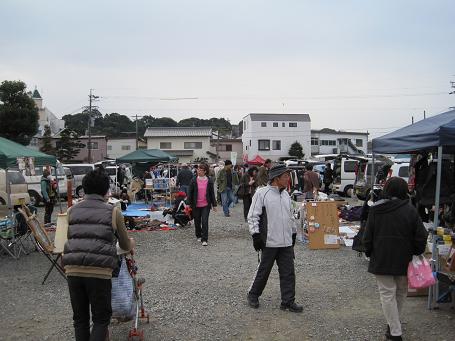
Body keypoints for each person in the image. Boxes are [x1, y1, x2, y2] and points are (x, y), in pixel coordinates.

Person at [62, 167, 134, 341]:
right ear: (106, 190)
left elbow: (72, 239)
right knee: (101, 319)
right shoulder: (113, 211)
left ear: (84, 189)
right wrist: (131, 243)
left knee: (80, 320)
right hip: (99, 272)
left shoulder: (71, 211)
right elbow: (124, 244)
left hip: (73, 270)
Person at [363, 177, 428, 341]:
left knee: (387, 294)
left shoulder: (376, 209)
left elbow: (367, 236)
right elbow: (421, 236)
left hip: (381, 258)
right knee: (400, 293)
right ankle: (394, 326)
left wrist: (369, 252)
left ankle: (395, 331)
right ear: (404, 190)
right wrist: (415, 251)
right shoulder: (410, 210)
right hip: (404, 259)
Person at [247, 164, 303, 313]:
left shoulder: (286, 194)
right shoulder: (262, 193)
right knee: (263, 271)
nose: (288, 179)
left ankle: (288, 301)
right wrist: (256, 235)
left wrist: (293, 232)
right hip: (269, 241)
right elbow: (253, 216)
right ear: (276, 178)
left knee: (288, 272)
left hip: (286, 242)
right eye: (285, 176)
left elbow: (290, 216)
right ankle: (253, 294)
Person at [188, 163, 217, 246]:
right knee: (197, 221)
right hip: (196, 205)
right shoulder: (193, 180)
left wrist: (214, 205)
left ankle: (205, 239)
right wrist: (188, 203)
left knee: (204, 221)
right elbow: (190, 192)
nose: (199, 171)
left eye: (201, 170)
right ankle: (198, 235)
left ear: (205, 171)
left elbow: (211, 193)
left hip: (205, 205)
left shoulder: (209, 180)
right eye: (198, 169)